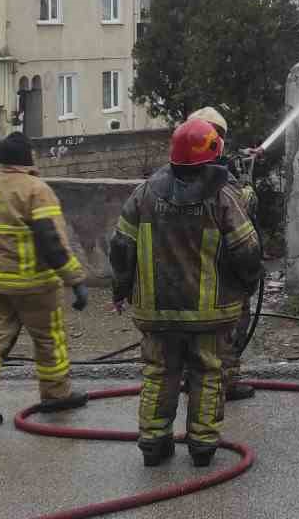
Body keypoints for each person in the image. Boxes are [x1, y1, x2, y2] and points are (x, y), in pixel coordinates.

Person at [110, 119, 263, 468]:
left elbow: (120, 247)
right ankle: (202, 447)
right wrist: (248, 285)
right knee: (208, 373)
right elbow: (247, 249)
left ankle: (153, 442)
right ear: (213, 154)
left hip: (156, 312)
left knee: (158, 372)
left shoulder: (144, 193)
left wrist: (121, 289)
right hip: (210, 314)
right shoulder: (223, 197)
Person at [0, 132, 89, 429]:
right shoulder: (37, 190)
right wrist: (76, 280)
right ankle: (56, 395)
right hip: (36, 285)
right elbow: (51, 242)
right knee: (49, 339)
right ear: (29, 158)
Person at [186, 106, 259, 401]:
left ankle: (190, 378)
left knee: (189, 332)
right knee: (230, 325)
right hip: (219, 267)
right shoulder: (223, 183)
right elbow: (240, 219)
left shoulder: (169, 177)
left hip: (182, 270)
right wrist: (249, 191)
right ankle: (225, 383)